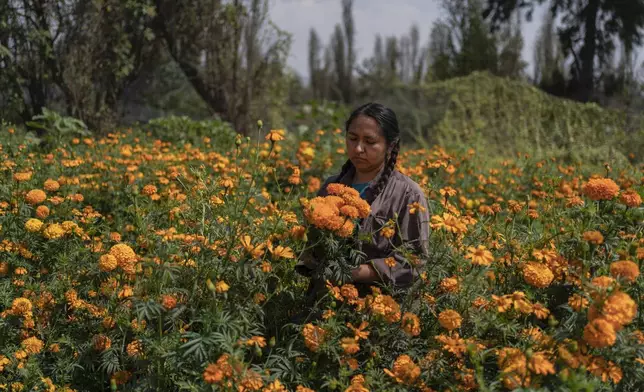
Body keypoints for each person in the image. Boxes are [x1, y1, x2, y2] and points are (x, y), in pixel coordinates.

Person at [295, 102, 430, 310]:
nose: (358, 148)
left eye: (370, 141)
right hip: (323, 306)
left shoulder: (408, 194)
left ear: (390, 145)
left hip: (375, 313)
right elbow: (309, 246)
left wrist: (354, 272)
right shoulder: (331, 187)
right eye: (352, 139)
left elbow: (414, 262)